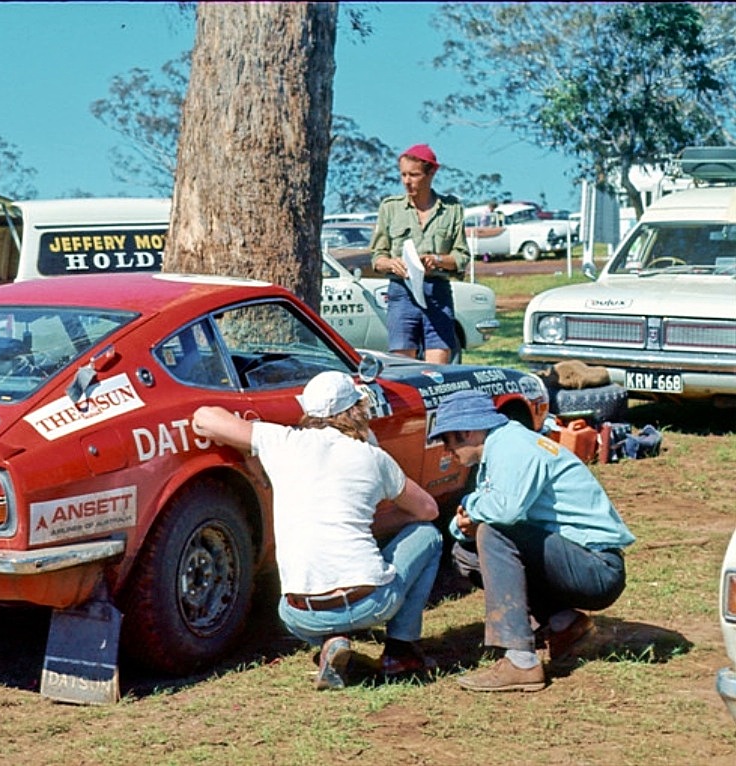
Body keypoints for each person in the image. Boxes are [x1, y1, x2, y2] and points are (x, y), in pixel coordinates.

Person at [192, 371, 443, 691]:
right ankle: (401, 651)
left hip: (300, 615)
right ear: (356, 410)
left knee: (300, 607)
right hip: (370, 603)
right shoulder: (373, 457)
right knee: (428, 536)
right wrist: (377, 521)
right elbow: (428, 510)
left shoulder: (281, 441)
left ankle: (332, 641)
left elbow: (204, 419)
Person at [427, 389, 636, 693]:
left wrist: (471, 509)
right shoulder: (502, 446)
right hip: (581, 559)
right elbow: (492, 511)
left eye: (447, 440)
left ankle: (520, 660)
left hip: (598, 567)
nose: (447, 451)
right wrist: (463, 525)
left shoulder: (512, 447)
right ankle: (564, 623)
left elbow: (505, 511)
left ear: (467, 431)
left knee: (494, 532)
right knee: (467, 554)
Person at [371, 144, 470, 364]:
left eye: (414, 175)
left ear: (431, 173)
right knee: (402, 366)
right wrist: (391, 264)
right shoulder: (390, 208)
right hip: (402, 292)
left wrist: (437, 261)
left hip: (437, 292)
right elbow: (377, 257)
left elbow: (462, 256)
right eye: (403, 175)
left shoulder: (452, 209)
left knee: (438, 370)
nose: (407, 181)